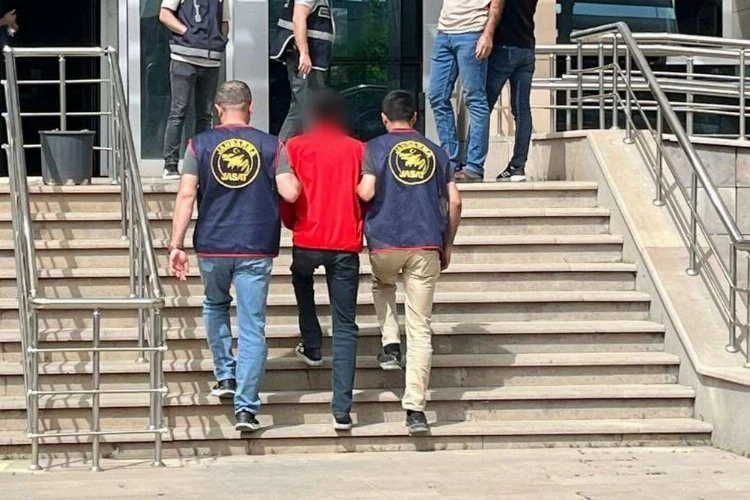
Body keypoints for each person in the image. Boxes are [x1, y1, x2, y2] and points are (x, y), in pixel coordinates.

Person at [168, 81, 297, 433]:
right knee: (253, 326)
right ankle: (246, 409)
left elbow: (186, 195)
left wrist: (176, 244)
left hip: (213, 244)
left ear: (218, 109)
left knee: (215, 305)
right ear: (250, 107)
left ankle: (225, 374)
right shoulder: (271, 145)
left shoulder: (198, 144)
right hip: (256, 245)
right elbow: (289, 191)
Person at [357, 90, 463, 435]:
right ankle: (415, 410)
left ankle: (390, 343)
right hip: (426, 243)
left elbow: (367, 192)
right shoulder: (436, 151)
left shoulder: (374, 148)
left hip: (385, 241)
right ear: (416, 118)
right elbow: (455, 202)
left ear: (384, 118)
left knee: (382, 284)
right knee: (420, 328)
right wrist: (447, 243)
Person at [277, 89, 364, 431]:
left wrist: (291, 223)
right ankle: (342, 408)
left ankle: (312, 341)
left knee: (300, 277)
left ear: (312, 116)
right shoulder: (357, 149)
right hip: (345, 240)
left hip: (308, 236)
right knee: (345, 324)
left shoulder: (295, 147)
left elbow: (287, 196)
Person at [429, 0, 502, 183]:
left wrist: (488, 35)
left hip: (472, 32)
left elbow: (497, 4)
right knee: (437, 96)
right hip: (444, 32)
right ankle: (450, 161)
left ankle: (474, 166)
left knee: (475, 99)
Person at [159, 0, 230, 180]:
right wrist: (187, 33)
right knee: (179, 111)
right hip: (183, 57)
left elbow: (224, 22)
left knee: (206, 115)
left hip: (211, 61)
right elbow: (165, 14)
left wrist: (220, 41)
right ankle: (170, 165)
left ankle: (201, 164)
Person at [486, 0, 539, 182]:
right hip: (526, 48)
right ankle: (518, 166)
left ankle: (471, 164)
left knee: (482, 107)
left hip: (503, 48)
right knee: (522, 110)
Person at [270, 0, 334, 142]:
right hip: (305, 60)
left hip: (308, 59)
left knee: (298, 110)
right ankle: (315, 148)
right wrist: (304, 54)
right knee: (312, 108)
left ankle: (280, 150)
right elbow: (298, 18)